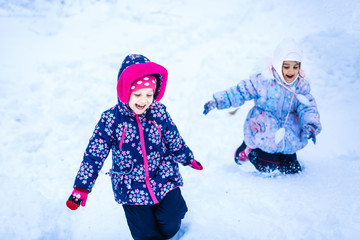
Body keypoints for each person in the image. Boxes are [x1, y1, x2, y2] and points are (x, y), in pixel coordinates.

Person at [66, 54, 203, 240]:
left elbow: (173, 138)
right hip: (131, 186)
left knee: (173, 216)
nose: (144, 100)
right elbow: (94, 155)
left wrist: (188, 158)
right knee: (145, 233)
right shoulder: (111, 120)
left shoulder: (158, 113)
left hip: (163, 175)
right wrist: (81, 187)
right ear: (125, 91)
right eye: (137, 94)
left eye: (149, 94)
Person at [203, 38, 321, 174]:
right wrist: (218, 101)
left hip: (289, 136)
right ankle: (249, 150)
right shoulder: (263, 80)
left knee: (292, 169)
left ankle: (280, 157)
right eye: (286, 66)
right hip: (265, 130)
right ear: (277, 64)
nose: (291, 71)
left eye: (295, 67)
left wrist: (311, 124)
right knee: (268, 166)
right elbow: (240, 92)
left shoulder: (301, 87)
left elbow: (307, 107)